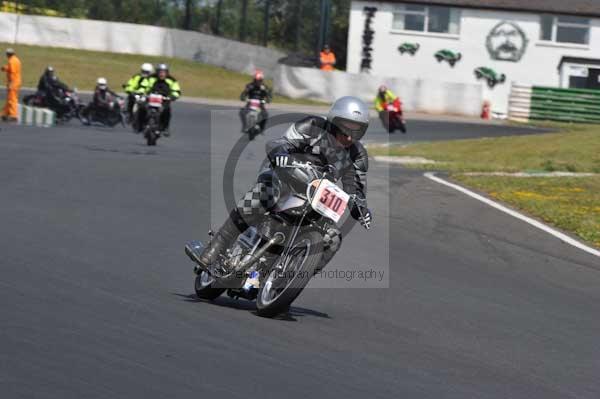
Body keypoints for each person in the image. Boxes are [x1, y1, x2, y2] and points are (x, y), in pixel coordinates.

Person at [195, 96, 373, 275]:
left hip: (317, 198)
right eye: (345, 129)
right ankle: (218, 245)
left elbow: (355, 188)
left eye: (356, 131)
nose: (350, 136)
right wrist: (281, 154)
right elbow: (280, 142)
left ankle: (293, 276)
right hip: (284, 177)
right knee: (265, 193)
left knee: (333, 238)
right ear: (334, 122)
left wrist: (360, 207)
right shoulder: (312, 126)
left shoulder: (357, 155)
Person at [144, 63, 181, 136]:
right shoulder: (150, 78)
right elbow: (144, 86)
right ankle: (141, 123)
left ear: (167, 72)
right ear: (157, 72)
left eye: (164, 72)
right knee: (142, 106)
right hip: (151, 97)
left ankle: (166, 128)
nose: (162, 74)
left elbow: (176, 90)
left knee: (167, 110)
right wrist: (142, 93)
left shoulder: (172, 80)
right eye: (160, 72)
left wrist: (173, 96)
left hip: (164, 99)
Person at [1, 48, 21, 122]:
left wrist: (11, 83)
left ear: (8, 54)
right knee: (10, 99)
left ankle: (13, 115)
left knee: (12, 99)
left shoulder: (11, 61)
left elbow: (12, 72)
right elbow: (12, 68)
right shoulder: (16, 60)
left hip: (13, 82)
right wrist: (5, 68)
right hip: (17, 81)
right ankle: (4, 114)